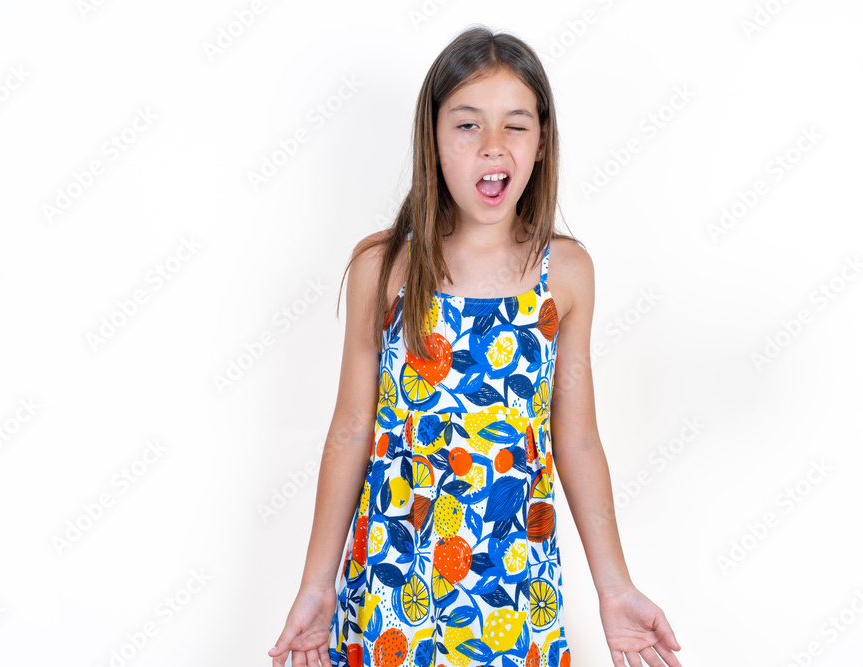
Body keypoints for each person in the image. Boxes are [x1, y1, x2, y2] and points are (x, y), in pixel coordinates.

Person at [268, 25, 684, 667]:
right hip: (391, 586)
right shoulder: (385, 268)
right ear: (432, 142)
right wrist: (316, 585)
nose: (493, 144)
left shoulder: (565, 274)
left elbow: (575, 438)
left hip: (513, 587)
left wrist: (615, 587)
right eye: (467, 125)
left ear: (541, 143)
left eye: (515, 125)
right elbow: (351, 428)